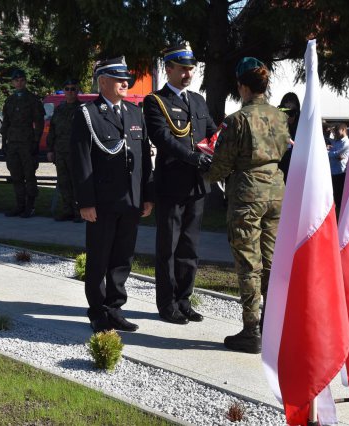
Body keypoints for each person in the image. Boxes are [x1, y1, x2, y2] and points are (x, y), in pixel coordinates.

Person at [204, 57, 290, 353]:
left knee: (248, 263)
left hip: (247, 194)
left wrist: (203, 171)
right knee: (272, 262)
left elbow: (221, 165)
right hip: (277, 191)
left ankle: (251, 330)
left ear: (242, 86)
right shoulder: (281, 117)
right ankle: (272, 326)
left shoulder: (237, 120)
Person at [70, 57, 154, 333]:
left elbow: (143, 160)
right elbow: (80, 161)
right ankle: (97, 311)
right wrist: (86, 202)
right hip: (102, 203)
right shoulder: (87, 114)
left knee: (122, 257)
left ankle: (114, 308)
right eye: (118, 79)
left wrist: (147, 195)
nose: (125, 83)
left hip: (130, 200)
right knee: (99, 258)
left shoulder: (134, 113)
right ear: (102, 81)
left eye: (126, 79)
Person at [143, 41, 216, 325]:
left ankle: (184, 301)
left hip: (197, 186)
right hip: (171, 185)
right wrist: (193, 158)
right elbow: (163, 138)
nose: (188, 74)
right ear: (169, 69)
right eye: (183, 69)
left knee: (190, 248)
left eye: (191, 69)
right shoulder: (155, 101)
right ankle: (167, 304)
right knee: (169, 248)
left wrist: (222, 146)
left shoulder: (197, 100)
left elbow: (210, 132)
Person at [0, 69, 45, 218]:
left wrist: (36, 142)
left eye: (21, 80)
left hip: (27, 143)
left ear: (25, 81)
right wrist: (3, 141)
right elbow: (6, 122)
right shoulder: (10, 100)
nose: (19, 83)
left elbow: (39, 123)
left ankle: (30, 207)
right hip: (12, 143)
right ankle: (20, 206)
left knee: (29, 175)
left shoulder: (33, 100)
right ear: (13, 83)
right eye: (16, 80)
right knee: (16, 175)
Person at [47, 78, 83, 222]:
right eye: (67, 89)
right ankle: (67, 210)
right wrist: (50, 150)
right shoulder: (59, 109)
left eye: (72, 89)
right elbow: (52, 131)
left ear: (77, 91)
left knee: (77, 183)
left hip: (75, 153)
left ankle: (79, 212)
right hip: (60, 152)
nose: (69, 92)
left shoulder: (82, 109)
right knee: (63, 182)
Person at [328, 123, 349, 217]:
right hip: (334, 171)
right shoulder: (338, 141)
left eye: (337, 131)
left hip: (340, 172)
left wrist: (327, 152)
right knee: (334, 195)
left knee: (339, 196)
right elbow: (335, 153)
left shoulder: (346, 143)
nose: (336, 134)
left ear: (343, 130)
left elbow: (336, 154)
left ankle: (340, 215)